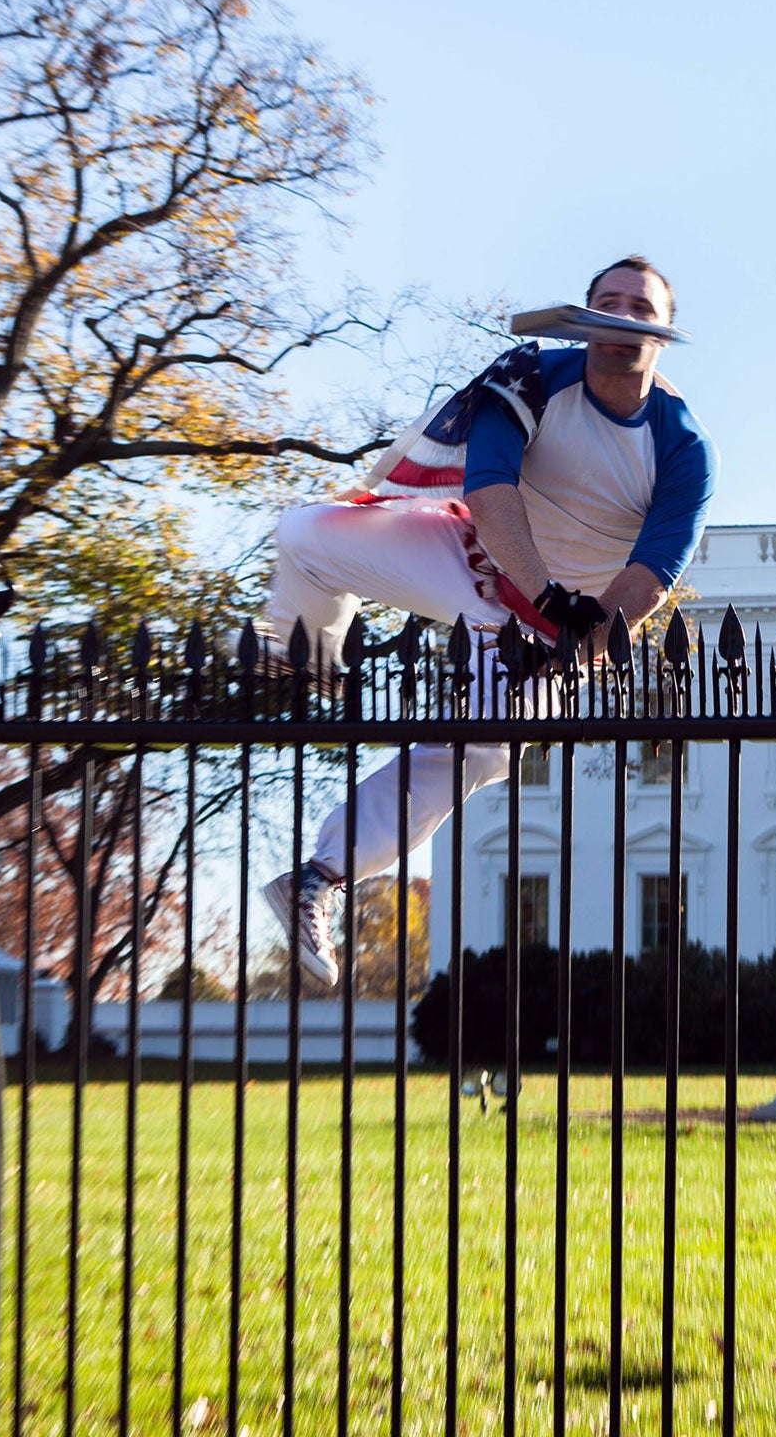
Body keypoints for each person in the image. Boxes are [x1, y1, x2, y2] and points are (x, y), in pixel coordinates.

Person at [261, 257, 717, 986]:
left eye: (640, 307)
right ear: (584, 313)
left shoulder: (684, 448)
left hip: (555, 638)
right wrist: (544, 590)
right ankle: (296, 651)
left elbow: (649, 579)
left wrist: (579, 646)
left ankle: (319, 876)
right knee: (308, 532)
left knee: (480, 746)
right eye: (607, 301)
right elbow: (492, 488)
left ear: (660, 332)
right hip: (475, 558)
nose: (622, 315)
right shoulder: (533, 377)